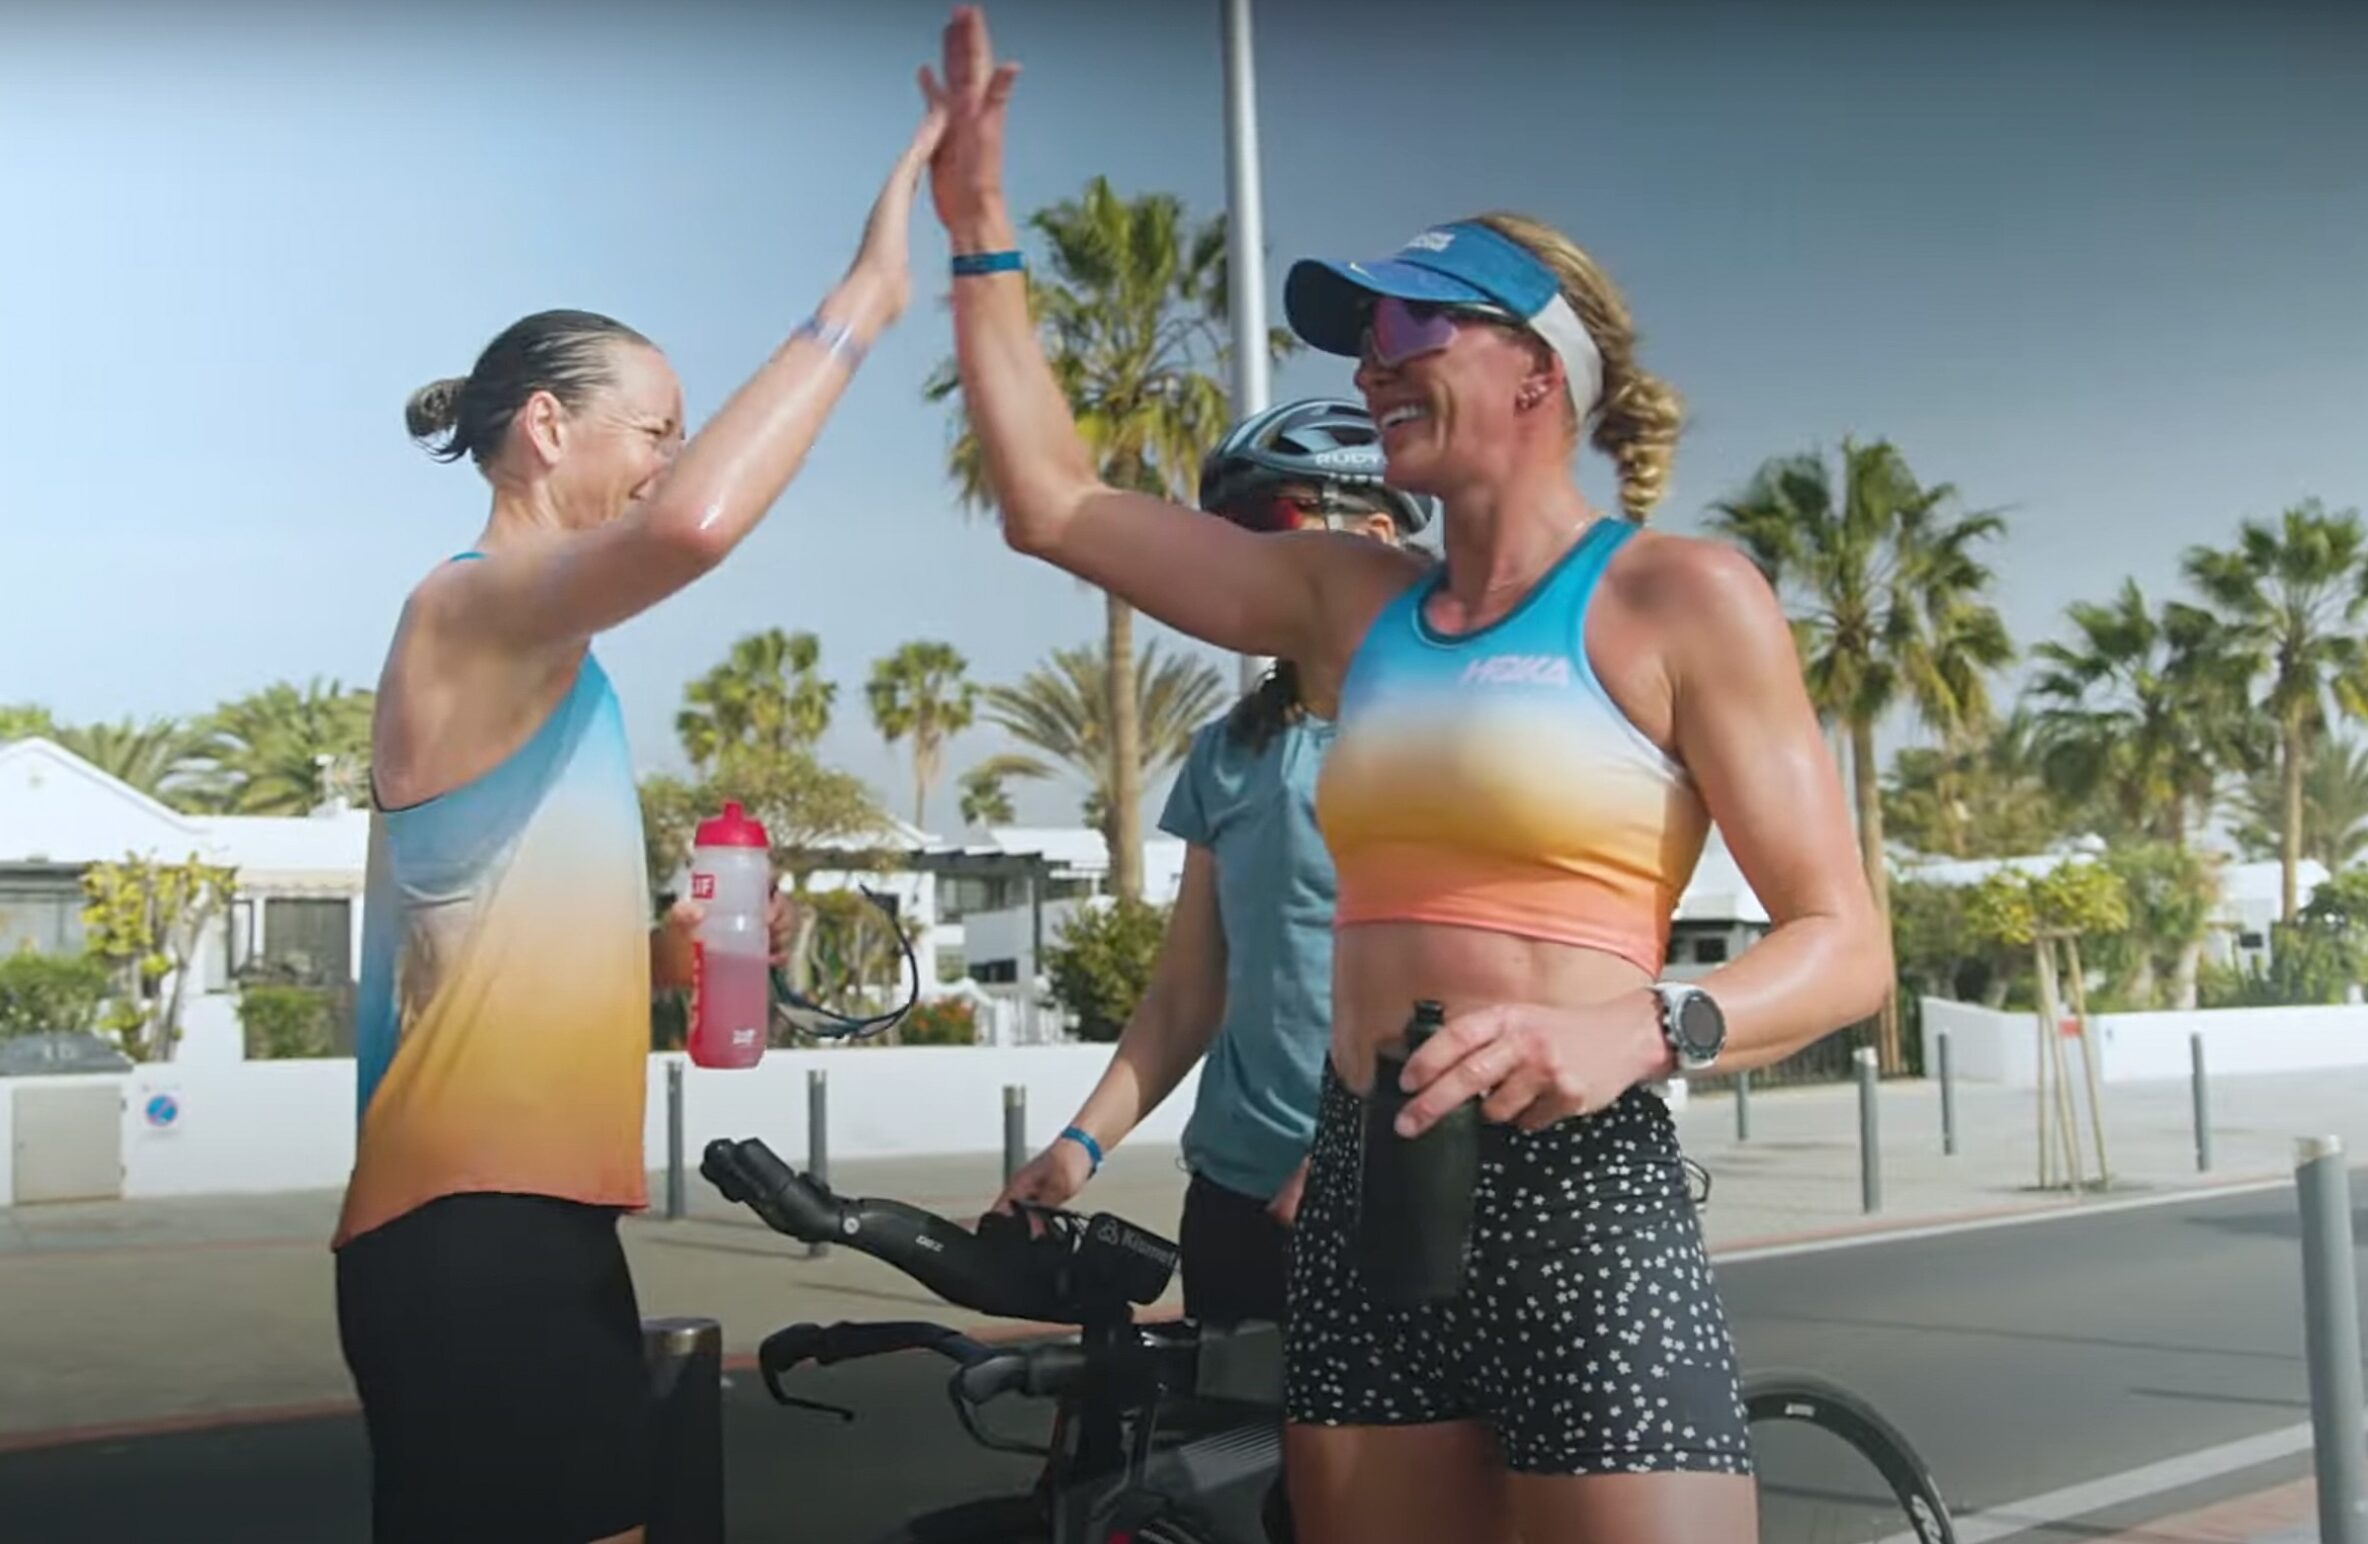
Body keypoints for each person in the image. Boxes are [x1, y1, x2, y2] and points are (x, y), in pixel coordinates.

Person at [916, 10, 1891, 1542]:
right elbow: (1050, 503)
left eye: (1410, 333)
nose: (1373, 368)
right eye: (1364, 343)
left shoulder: (1677, 599)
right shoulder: (1345, 604)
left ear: (1535, 372)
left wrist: (1643, 1029)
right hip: (1368, 1181)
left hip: (1583, 1187)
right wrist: (979, 238)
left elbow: (1845, 948)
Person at [330, 103, 945, 1544]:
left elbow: (484, 965)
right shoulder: (464, 607)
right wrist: (866, 298)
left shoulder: (555, 664)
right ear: (548, 427)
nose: (670, 459)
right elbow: (690, 531)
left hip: (529, 1224)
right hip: (467, 1228)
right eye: (656, 428)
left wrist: (672, 963)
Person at [993, 399, 1437, 1329]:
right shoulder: (1228, 753)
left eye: (1272, 531)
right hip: (1238, 1199)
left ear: (1382, 534)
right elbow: (1186, 994)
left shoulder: (1457, 738)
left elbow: (1484, 981)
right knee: (1230, 1464)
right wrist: (1078, 1148)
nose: (1244, 571)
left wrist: (1367, 1159)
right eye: (1227, 542)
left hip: (1400, 1193)